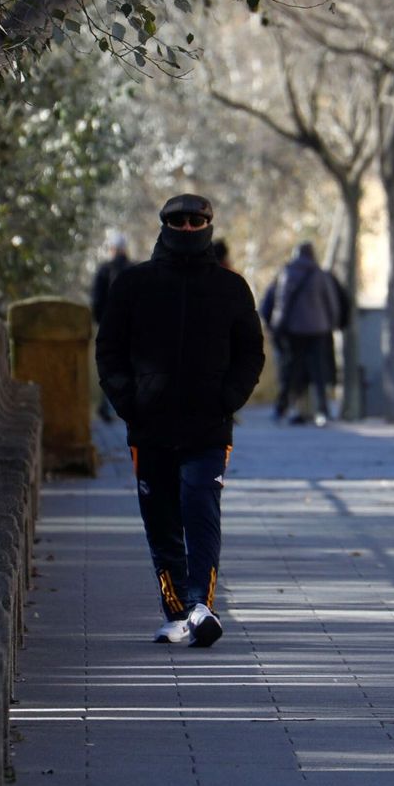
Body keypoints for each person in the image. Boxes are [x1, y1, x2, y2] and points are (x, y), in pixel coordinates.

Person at [95, 193, 265, 647]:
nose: (188, 228)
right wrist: (129, 402)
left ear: (208, 225)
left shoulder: (231, 288)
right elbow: (109, 349)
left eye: (196, 221)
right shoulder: (133, 285)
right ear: (165, 225)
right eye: (179, 221)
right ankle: (176, 613)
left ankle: (201, 606)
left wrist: (228, 398)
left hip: (208, 426)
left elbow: (251, 352)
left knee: (200, 508)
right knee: (162, 521)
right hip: (149, 427)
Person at [259, 242, 344, 426]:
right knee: (318, 371)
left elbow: (281, 303)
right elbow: (331, 302)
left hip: (294, 330)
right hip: (318, 329)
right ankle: (322, 409)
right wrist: (332, 323)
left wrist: (277, 326)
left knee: (291, 370)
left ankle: (283, 408)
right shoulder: (320, 274)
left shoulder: (287, 273)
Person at [90, 233, 133, 423]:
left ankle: (106, 408)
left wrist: (101, 320)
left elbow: (96, 300)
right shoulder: (134, 269)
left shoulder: (104, 270)